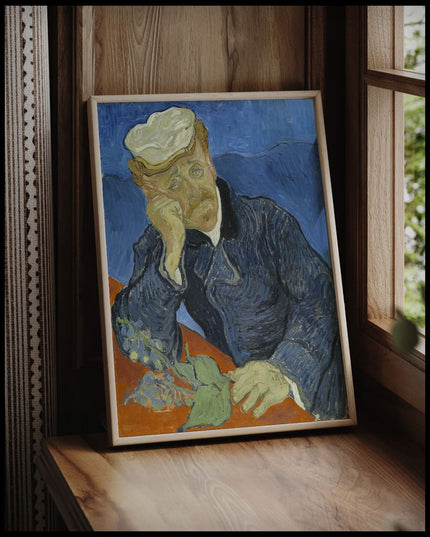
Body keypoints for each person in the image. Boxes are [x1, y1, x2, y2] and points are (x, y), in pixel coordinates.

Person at [111, 106, 348, 421]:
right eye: (175, 185)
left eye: (196, 171)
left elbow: (322, 302)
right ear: (153, 196)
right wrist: (171, 256)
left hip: (313, 399)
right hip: (244, 407)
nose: (195, 193)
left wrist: (284, 370)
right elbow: (141, 344)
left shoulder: (267, 222)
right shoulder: (158, 245)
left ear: (209, 162)